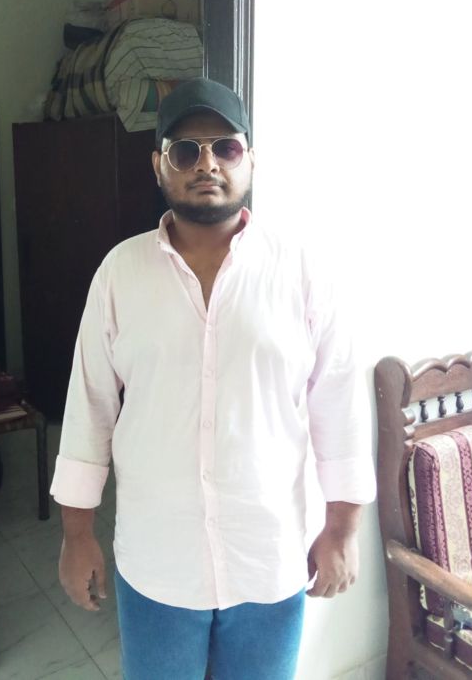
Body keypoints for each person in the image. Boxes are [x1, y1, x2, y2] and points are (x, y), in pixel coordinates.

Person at [51, 77, 376, 680]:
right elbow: (88, 405)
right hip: (157, 562)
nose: (207, 164)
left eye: (225, 147)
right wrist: (77, 534)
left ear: (250, 158)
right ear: (158, 165)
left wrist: (342, 528)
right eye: (185, 150)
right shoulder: (121, 273)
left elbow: (339, 407)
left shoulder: (301, 271)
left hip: (269, 558)